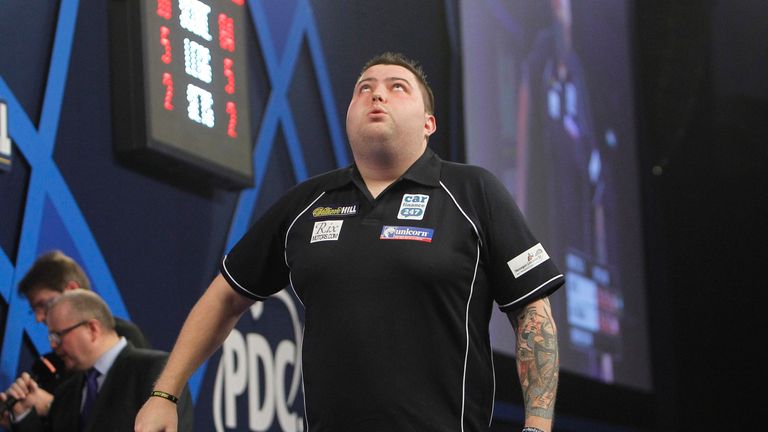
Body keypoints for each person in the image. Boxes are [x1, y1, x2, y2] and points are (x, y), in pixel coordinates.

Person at [135, 52, 564, 432]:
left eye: (397, 87)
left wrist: (538, 428)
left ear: (429, 123)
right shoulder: (307, 203)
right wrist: (165, 394)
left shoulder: (473, 191)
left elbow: (531, 313)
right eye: (364, 89)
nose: (377, 95)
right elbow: (226, 297)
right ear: (349, 115)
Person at [0, 289, 193, 431]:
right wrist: (23, 413)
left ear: (92, 329)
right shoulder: (67, 392)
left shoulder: (156, 370)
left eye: (58, 336)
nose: (53, 346)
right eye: (51, 338)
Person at [0, 251, 151, 425]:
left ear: (72, 290)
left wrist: (51, 405)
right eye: (35, 309)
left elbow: (135, 411)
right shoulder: (57, 362)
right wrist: (20, 416)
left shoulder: (124, 337)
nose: (38, 318)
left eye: (43, 304)